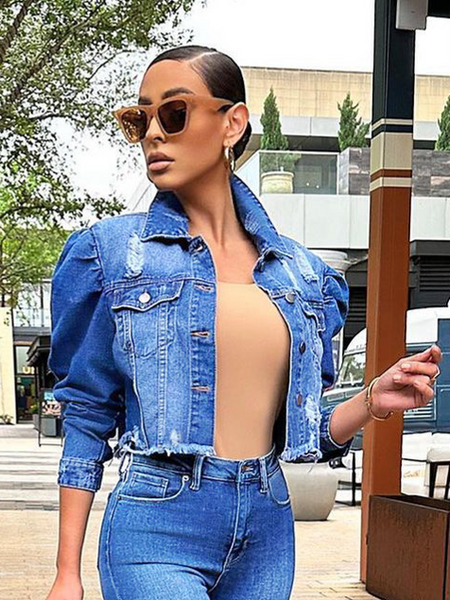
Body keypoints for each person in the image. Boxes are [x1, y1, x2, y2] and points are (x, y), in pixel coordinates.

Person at [45, 44, 442, 600]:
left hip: (267, 524)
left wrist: (371, 400)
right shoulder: (111, 254)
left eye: (174, 113)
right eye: (140, 119)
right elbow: (87, 415)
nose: (153, 133)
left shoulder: (303, 275)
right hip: (157, 522)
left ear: (232, 123)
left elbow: (302, 432)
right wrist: (66, 573)